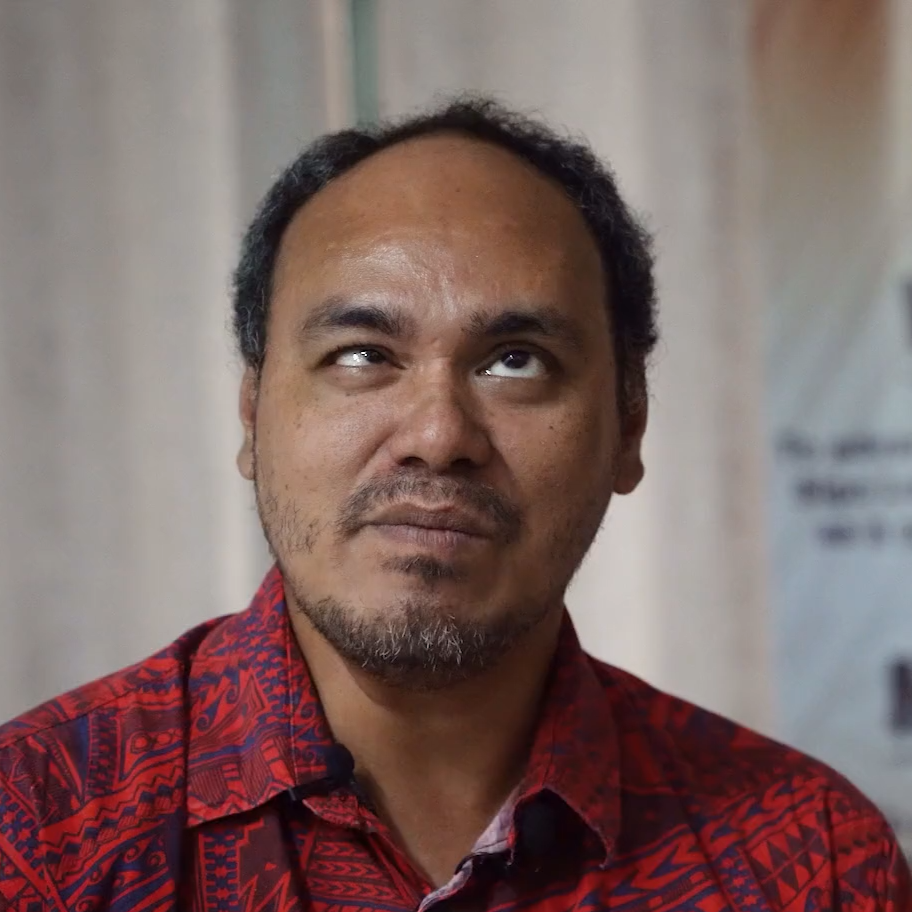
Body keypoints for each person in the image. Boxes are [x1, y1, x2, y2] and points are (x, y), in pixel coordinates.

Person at [0, 98, 908, 912]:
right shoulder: (40, 835)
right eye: (362, 354)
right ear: (252, 411)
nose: (437, 435)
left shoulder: (807, 862)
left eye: (516, 360)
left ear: (629, 424)